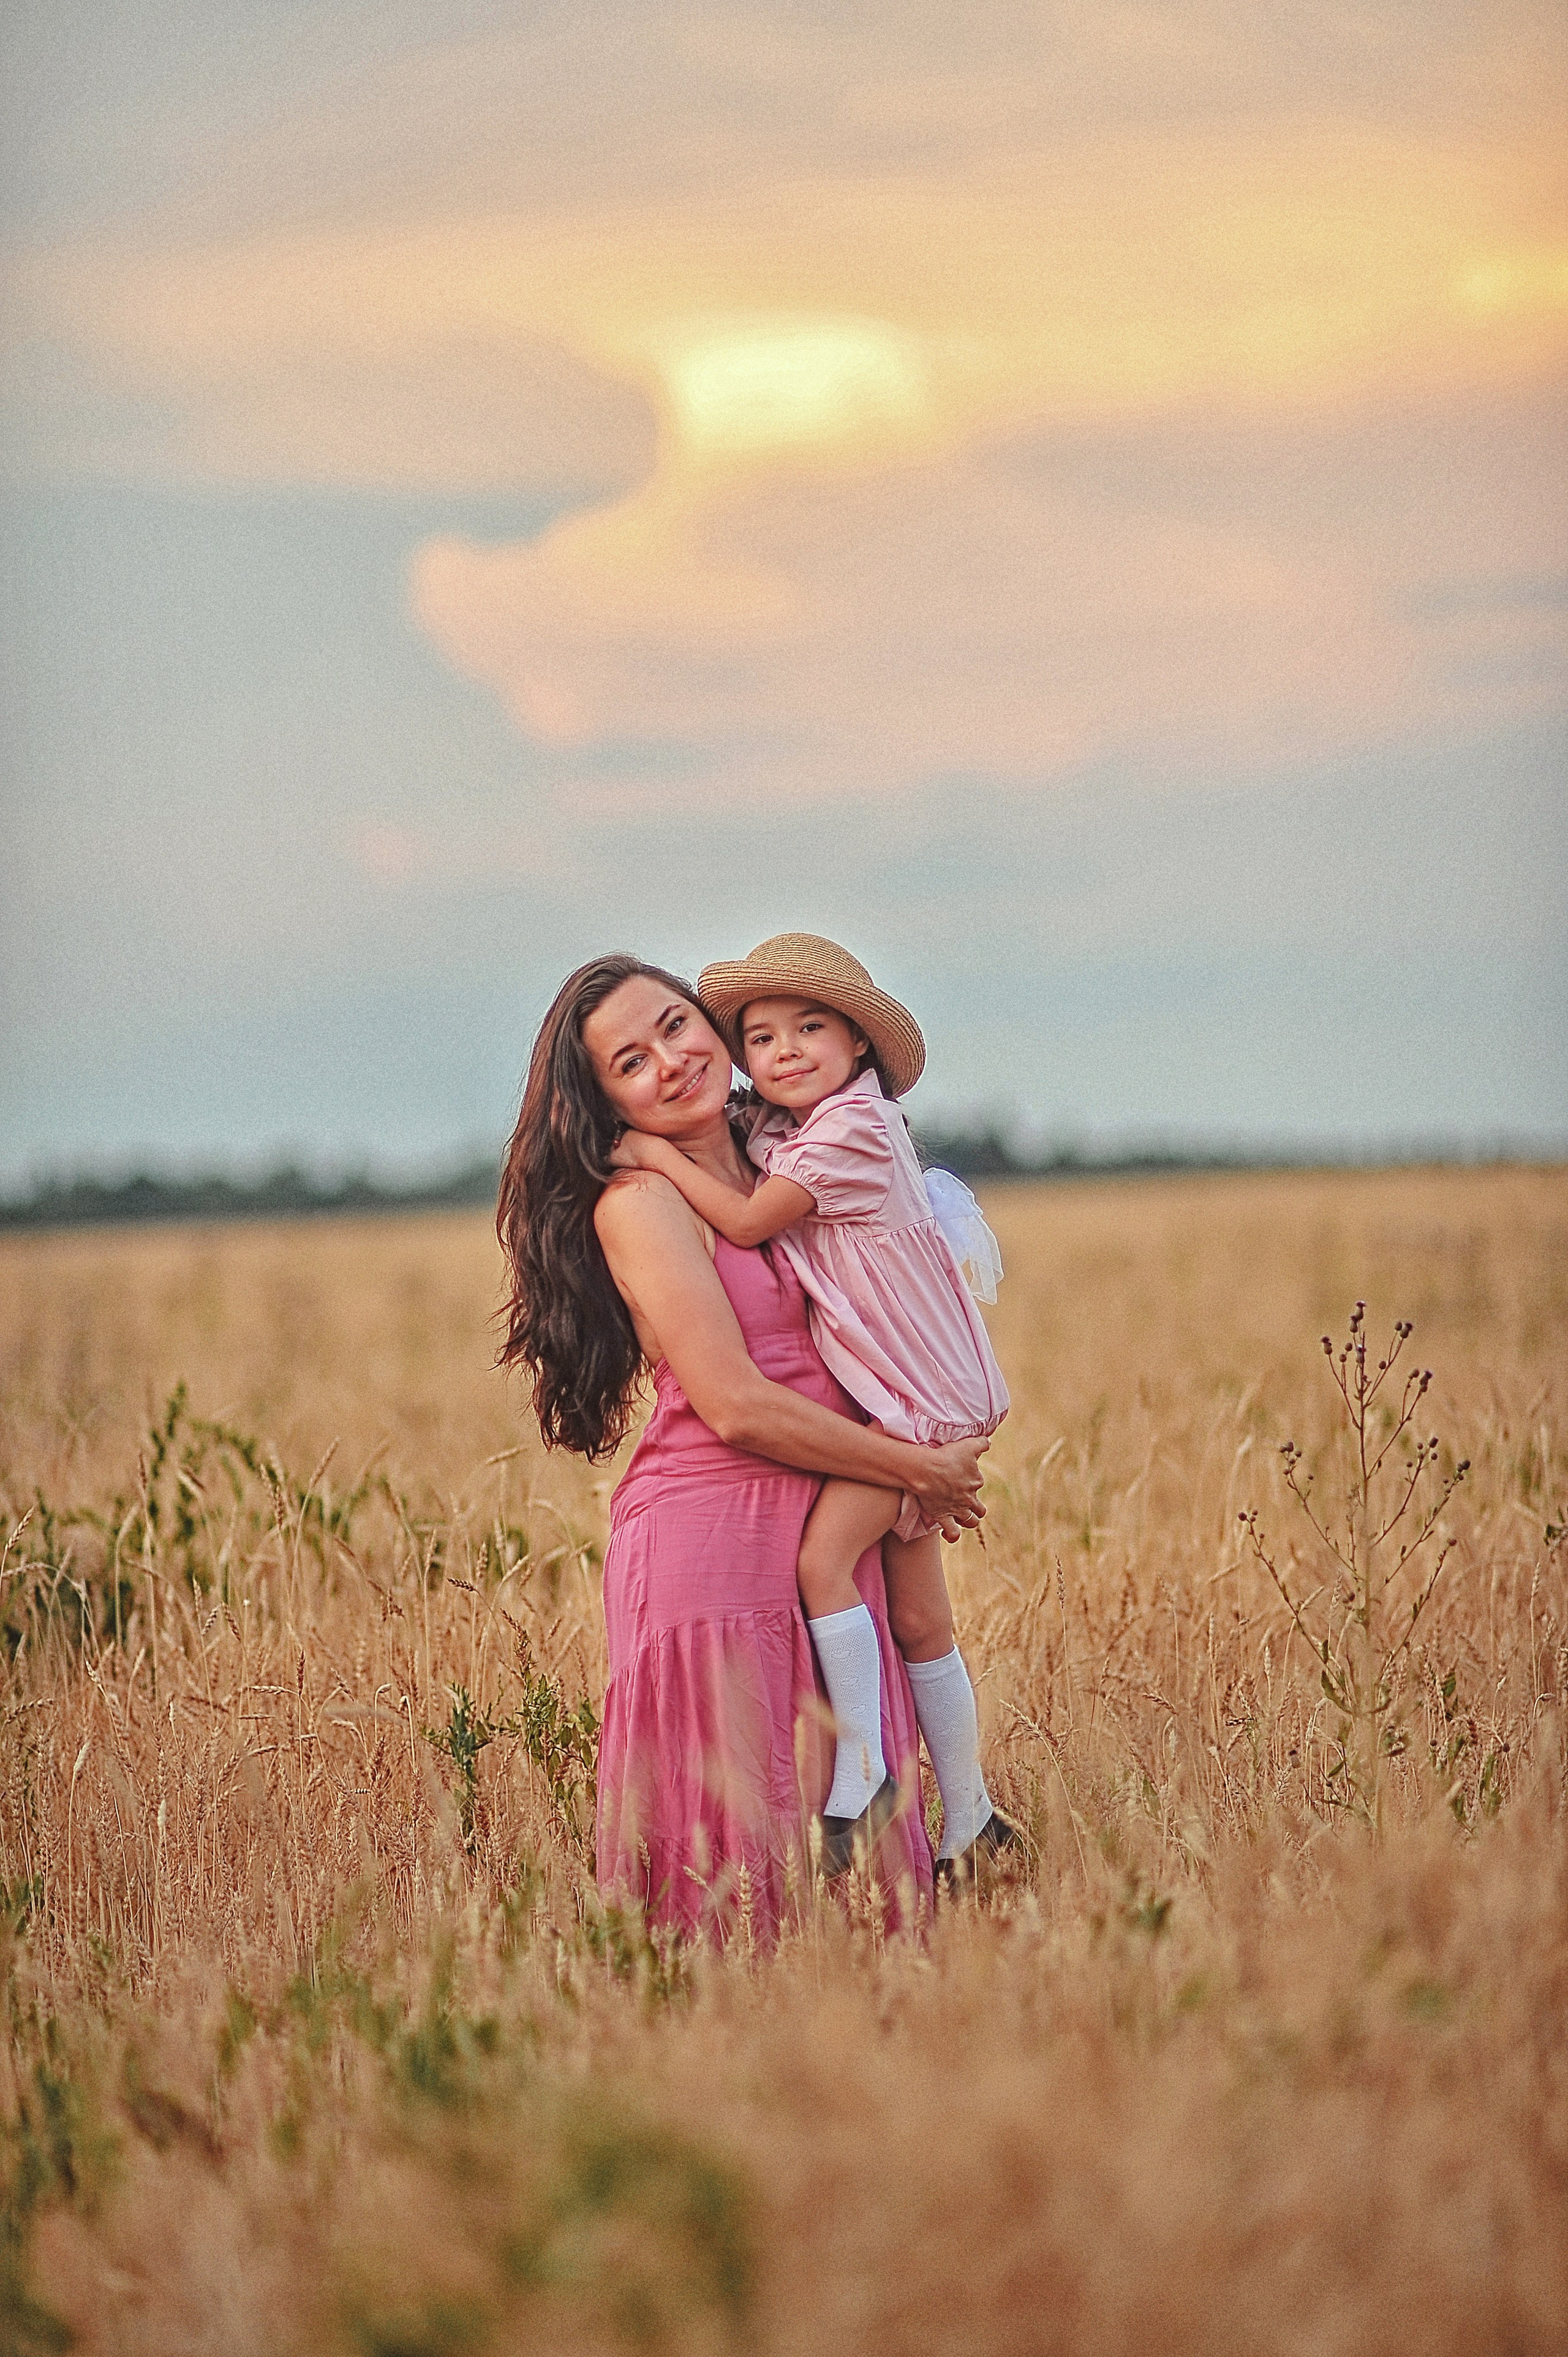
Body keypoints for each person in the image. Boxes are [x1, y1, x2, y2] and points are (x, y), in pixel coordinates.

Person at [496, 954, 990, 1943]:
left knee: (858, 1871)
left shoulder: (787, 1158)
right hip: (713, 1549)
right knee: (736, 1858)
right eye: (632, 1062)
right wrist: (915, 1469)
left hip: (830, 1541)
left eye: (676, 1027)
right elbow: (733, 1407)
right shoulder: (641, 1204)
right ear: (609, 1104)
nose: (672, 1063)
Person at [611, 932, 1019, 1884]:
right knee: (920, 1620)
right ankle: (971, 1816)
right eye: (760, 1036)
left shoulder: (853, 1130)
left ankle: (865, 1773)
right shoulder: (788, 1131)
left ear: (861, 1046)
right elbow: (748, 1155)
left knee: (826, 1560)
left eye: (812, 1028)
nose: (785, 1050)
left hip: (912, 1402)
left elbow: (749, 1220)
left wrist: (656, 1159)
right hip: (913, 1397)